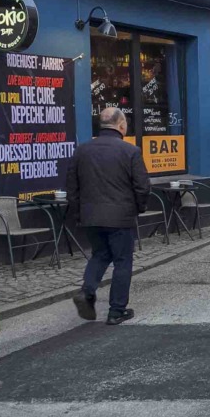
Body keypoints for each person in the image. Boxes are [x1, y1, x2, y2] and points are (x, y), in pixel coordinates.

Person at [66, 107, 151, 325]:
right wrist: (138, 209)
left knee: (100, 255)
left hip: (91, 216)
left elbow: (71, 188)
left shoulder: (82, 151)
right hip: (120, 217)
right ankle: (116, 311)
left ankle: (87, 292)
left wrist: (78, 213)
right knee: (123, 262)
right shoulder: (130, 151)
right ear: (121, 125)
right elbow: (142, 187)